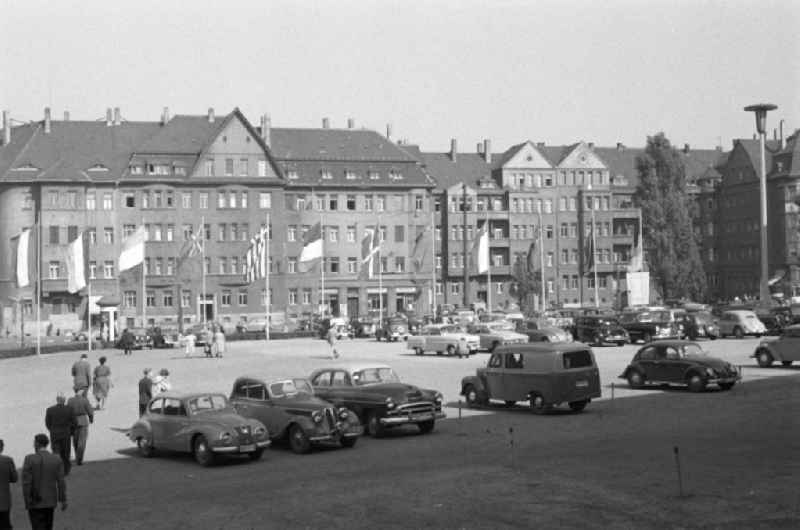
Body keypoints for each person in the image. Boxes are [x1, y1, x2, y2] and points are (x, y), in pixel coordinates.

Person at [22, 434, 67, 530]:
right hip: (50, 500)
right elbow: (61, 481)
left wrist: (27, 501)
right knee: (48, 526)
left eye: (34, 443)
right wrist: (63, 499)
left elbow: (26, 483)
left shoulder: (29, 459)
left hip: (34, 501)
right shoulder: (56, 459)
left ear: (37, 444)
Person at [44, 394, 75, 476]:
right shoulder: (69, 409)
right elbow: (74, 422)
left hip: (55, 434)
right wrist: (70, 432)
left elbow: (47, 423)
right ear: (64, 400)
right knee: (66, 452)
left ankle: (57, 469)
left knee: (56, 452)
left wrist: (52, 430)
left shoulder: (50, 410)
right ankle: (66, 470)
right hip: (66, 434)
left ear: (57, 400)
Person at [66, 389, 93, 467]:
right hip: (83, 421)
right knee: (82, 441)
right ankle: (79, 459)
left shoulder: (70, 400)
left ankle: (77, 456)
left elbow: (68, 411)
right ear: (81, 392)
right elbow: (90, 411)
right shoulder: (84, 400)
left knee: (75, 440)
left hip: (73, 422)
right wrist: (91, 419)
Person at [0, 439, 18, 530]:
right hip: (3, 500)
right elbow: (14, 478)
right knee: (5, 524)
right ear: (2, 448)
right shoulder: (8, 460)